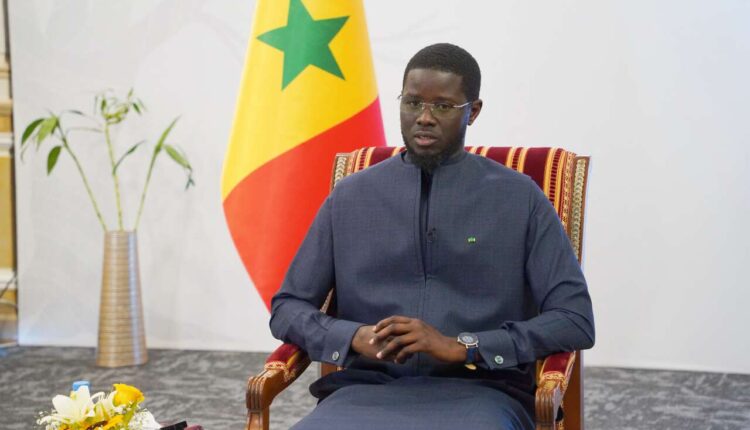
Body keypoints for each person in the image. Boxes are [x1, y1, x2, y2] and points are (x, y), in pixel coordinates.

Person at [269, 43, 595, 430]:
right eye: (412, 103)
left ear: (473, 111)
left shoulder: (519, 197)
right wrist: (353, 336)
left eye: (443, 106)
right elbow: (288, 308)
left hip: (483, 393)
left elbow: (574, 319)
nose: (424, 118)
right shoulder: (352, 196)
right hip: (364, 391)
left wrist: (463, 346)